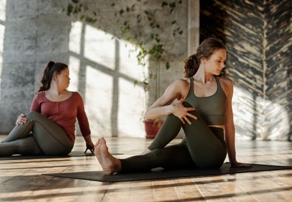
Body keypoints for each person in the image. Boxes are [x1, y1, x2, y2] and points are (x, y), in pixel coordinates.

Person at [94, 38, 251, 175]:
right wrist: (171, 109)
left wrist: (233, 160)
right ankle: (115, 164)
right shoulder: (182, 85)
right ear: (203, 59)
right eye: (218, 60)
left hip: (213, 153)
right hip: (189, 149)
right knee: (160, 156)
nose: (222, 65)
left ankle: (146, 150)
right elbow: (149, 113)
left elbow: (229, 124)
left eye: (223, 61)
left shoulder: (226, 85)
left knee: (184, 106)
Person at [0, 61, 94, 158]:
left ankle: (1, 144)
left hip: (64, 144)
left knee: (33, 116)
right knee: (18, 145)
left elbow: (83, 120)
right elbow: (29, 122)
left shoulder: (75, 97)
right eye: (66, 75)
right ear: (56, 77)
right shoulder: (40, 96)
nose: (69, 78)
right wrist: (20, 120)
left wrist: (89, 142)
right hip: (45, 143)